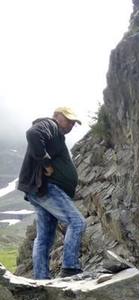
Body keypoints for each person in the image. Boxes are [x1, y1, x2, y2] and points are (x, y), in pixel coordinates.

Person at [18, 107, 86, 279]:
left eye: (73, 123)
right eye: (68, 120)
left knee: (45, 237)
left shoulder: (56, 135)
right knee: (77, 223)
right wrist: (46, 163)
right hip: (48, 188)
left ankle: (41, 279)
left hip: (42, 191)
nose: (70, 125)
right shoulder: (50, 124)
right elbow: (33, 134)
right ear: (57, 116)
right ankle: (70, 267)